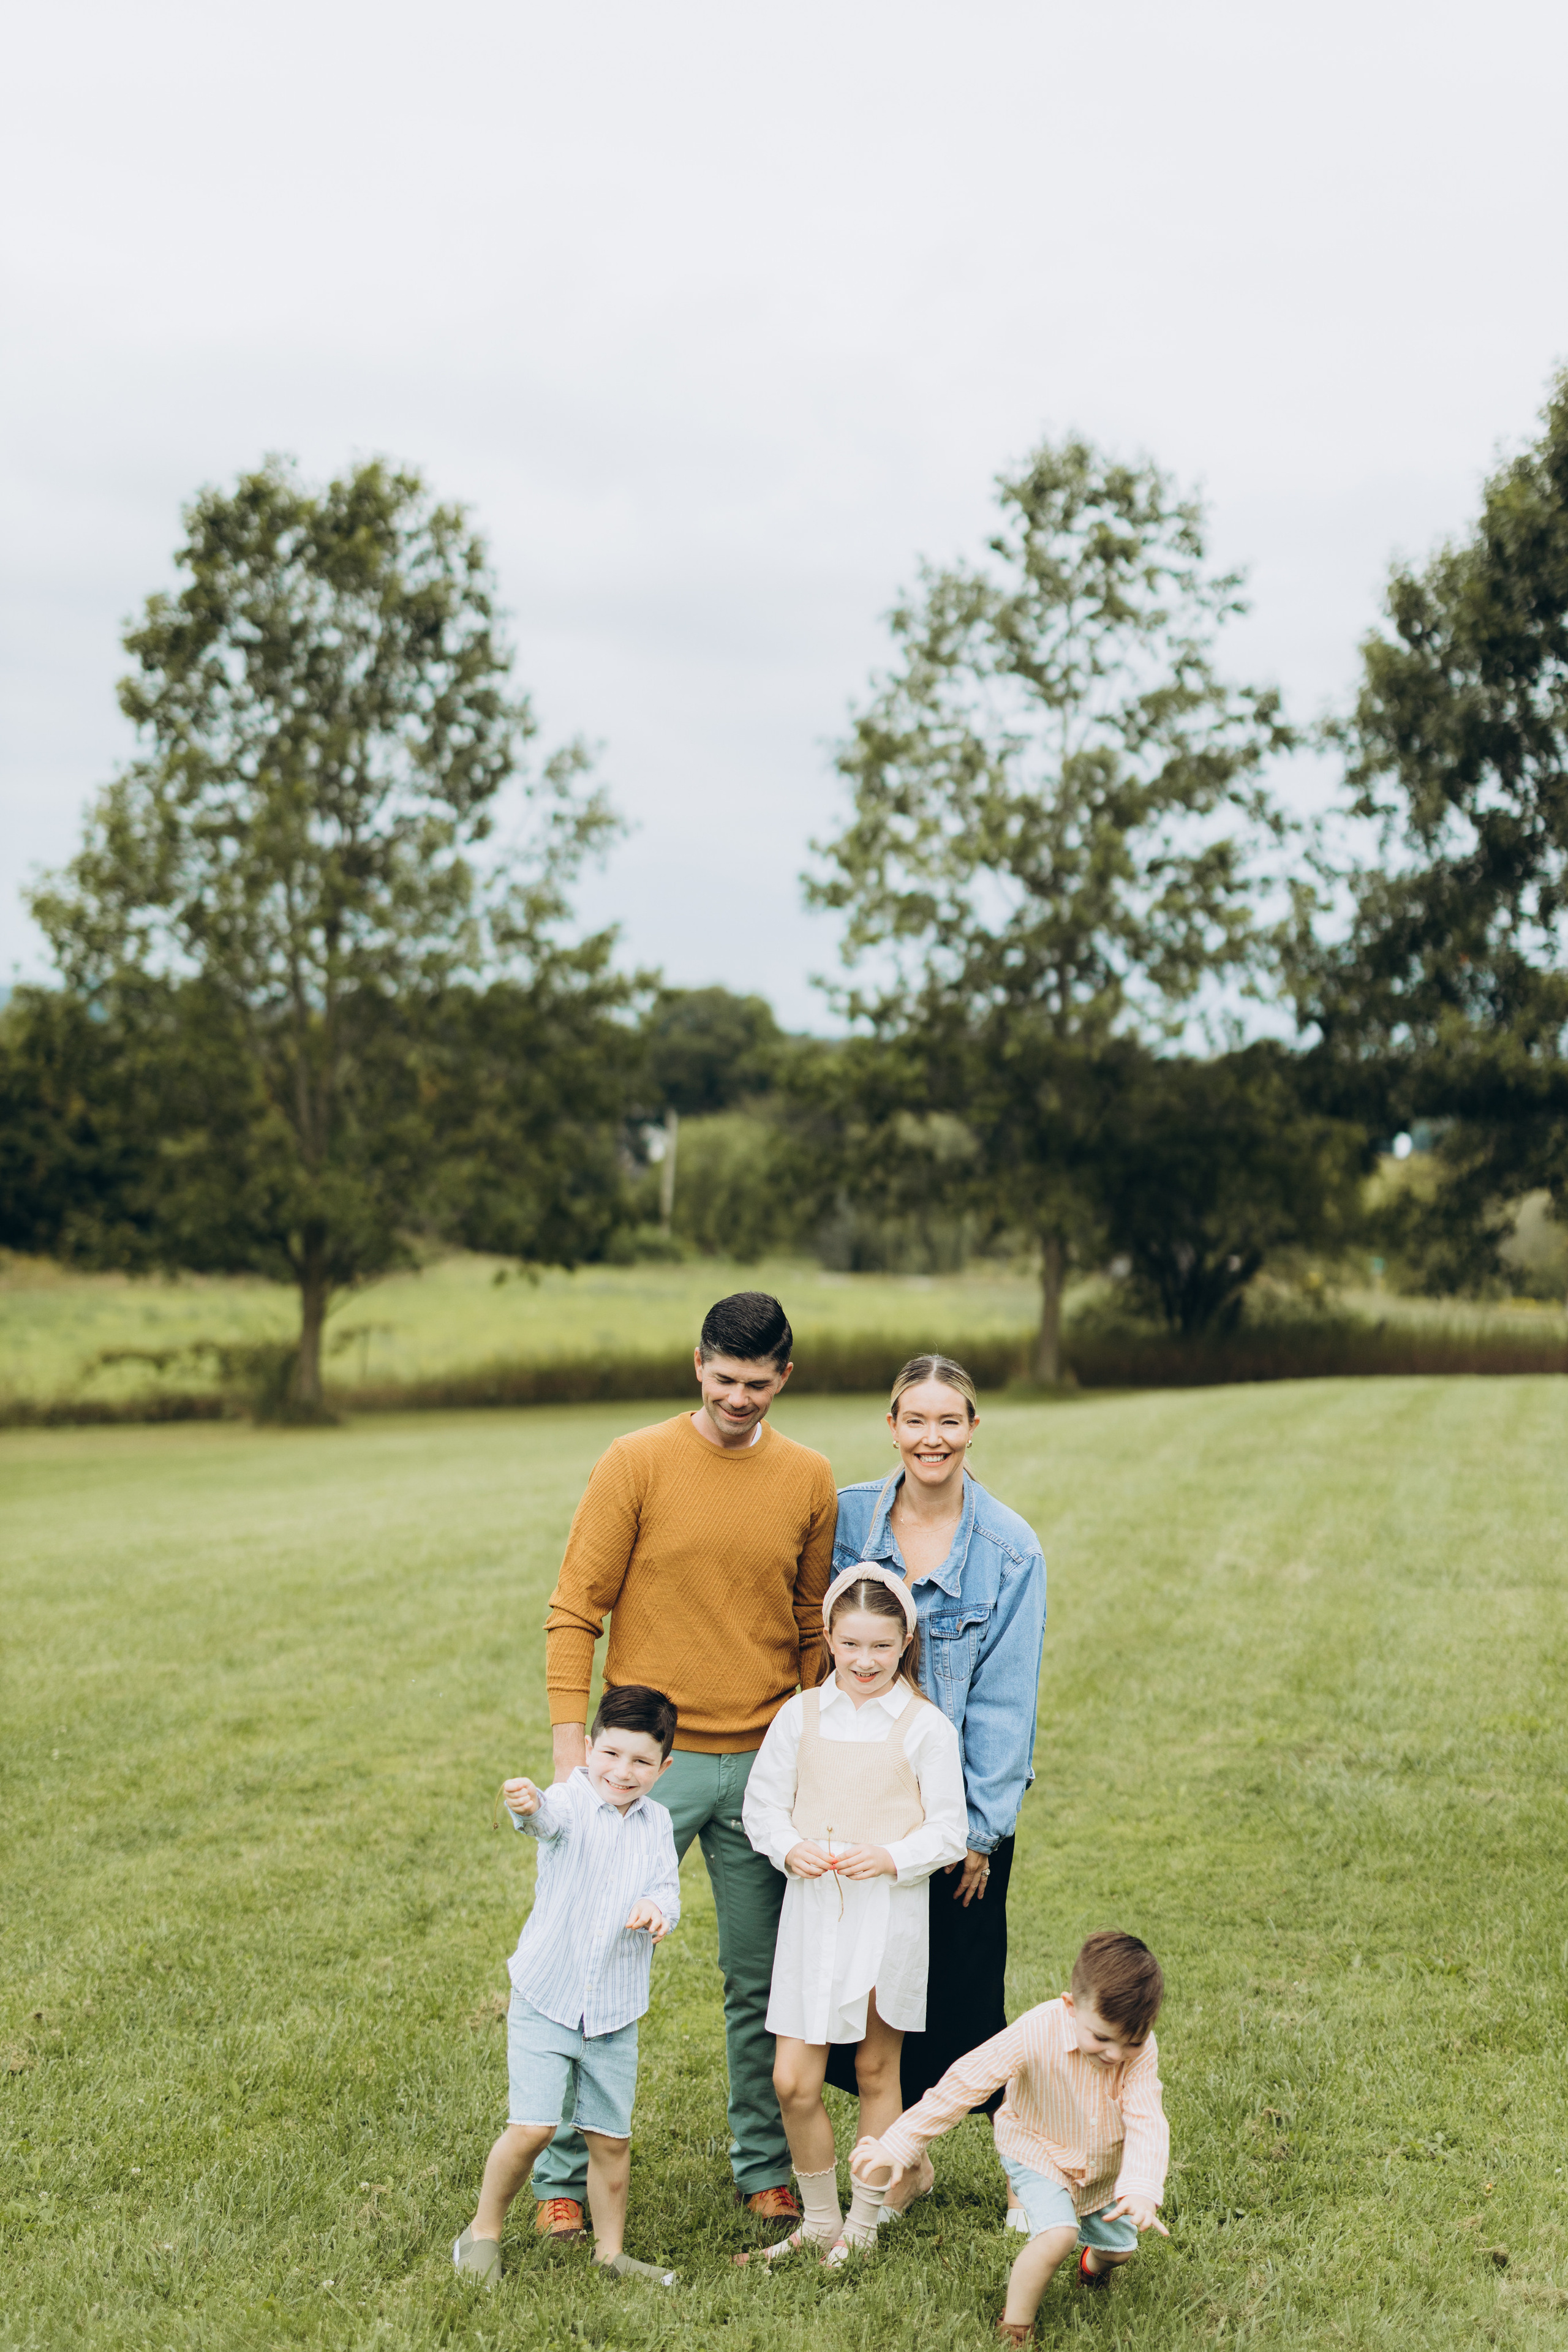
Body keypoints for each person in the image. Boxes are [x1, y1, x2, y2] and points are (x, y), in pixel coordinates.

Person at [532, 1291, 839, 2237]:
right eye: (724, 1379)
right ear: (696, 1365)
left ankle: (763, 2168)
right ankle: (558, 2176)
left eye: (758, 1384)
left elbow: (811, 1629)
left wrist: (810, 1756)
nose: (739, 1398)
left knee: (760, 1983)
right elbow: (575, 1609)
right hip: (639, 1775)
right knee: (590, 1962)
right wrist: (575, 1762)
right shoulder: (637, 1462)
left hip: (759, 1767)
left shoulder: (810, 1479)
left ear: (784, 1377)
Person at [827, 1354, 1046, 2218]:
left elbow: (1006, 1700)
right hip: (857, 1804)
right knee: (866, 1992)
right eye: (915, 1420)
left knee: (962, 1997)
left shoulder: (1008, 1547)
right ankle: (894, 2160)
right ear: (890, 1426)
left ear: (973, 1429)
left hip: (955, 1816)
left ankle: (1020, 2170)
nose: (932, 1437)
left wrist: (983, 1834)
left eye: (949, 1421)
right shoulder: (843, 1520)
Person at [736, 1567, 966, 2264]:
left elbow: (949, 1830)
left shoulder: (922, 1726)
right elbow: (763, 1807)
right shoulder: (800, 1715)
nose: (865, 1661)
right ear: (830, 1639)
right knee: (793, 2081)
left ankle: (863, 2224)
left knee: (873, 2067)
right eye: (851, 1644)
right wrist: (790, 1848)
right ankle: (819, 2218)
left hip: (887, 1916)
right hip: (813, 1914)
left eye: (882, 1646)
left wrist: (891, 1857)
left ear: (905, 1644)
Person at [453, 1684, 683, 2290]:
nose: (622, 1772)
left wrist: (658, 1910)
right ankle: (480, 2235)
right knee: (532, 2128)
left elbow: (667, 1889)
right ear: (588, 1748)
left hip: (613, 2009)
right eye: (610, 1754)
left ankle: (610, 2253)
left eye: (640, 1761)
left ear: (665, 1767)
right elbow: (543, 1822)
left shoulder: (658, 1824)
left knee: (611, 2139)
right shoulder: (570, 1800)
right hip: (547, 1996)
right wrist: (526, 1804)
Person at [850, 1930, 1170, 2339]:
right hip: (1038, 2151)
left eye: (1131, 2042)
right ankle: (1015, 2328)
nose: (1115, 2054)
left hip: (1103, 2170)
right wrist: (899, 2143)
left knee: (1119, 2252)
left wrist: (1142, 2187)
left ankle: (1092, 2264)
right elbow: (966, 2083)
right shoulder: (1036, 2030)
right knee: (1058, 2235)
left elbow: (1148, 2118)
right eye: (1102, 2038)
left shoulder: (1140, 2052)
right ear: (1071, 2006)